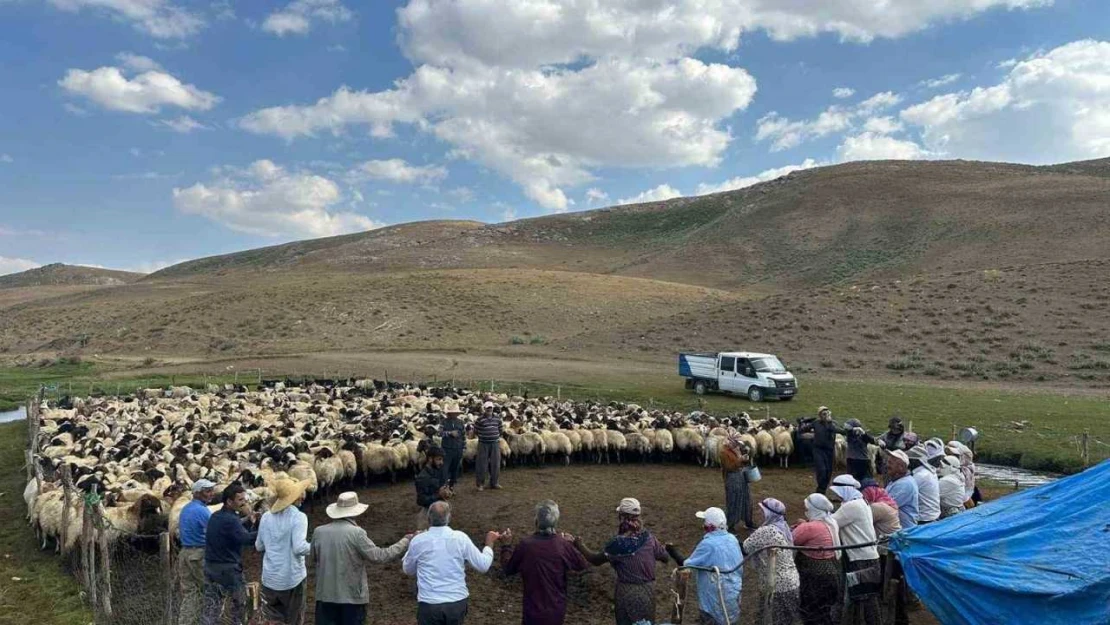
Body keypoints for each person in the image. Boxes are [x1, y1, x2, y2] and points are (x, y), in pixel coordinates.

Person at [313, 492, 412, 625]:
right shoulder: (357, 533)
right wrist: (405, 541)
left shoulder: (319, 532)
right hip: (351, 597)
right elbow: (379, 556)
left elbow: (313, 559)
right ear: (355, 512)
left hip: (325, 596)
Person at [573, 498, 670, 625]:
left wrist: (579, 544)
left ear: (621, 516)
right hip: (648, 591)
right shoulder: (649, 538)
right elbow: (665, 557)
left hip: (626, 594)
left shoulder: (618, 544)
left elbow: (595, 560)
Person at [403, 501, 499, 625]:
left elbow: (407, 569)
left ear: (428, 518)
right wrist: (489, 544)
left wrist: (412, 544)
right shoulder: (460, 538)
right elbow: (483, 565)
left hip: (430, 604)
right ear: (449, 517)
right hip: (456, 602)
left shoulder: (418, 541)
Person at [499, 500, 590, 625]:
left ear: (536, 521)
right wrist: (573, 544)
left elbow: (508, 568)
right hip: (556, 610)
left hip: (532, 611)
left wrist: (506, 546)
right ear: (555, 522)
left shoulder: (526, 545)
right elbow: (582, 564)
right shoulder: (562, 545)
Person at [665, 507, 743, 625]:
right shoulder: (733, 539)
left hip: (714, 597)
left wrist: (672, 551)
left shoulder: (708, 544)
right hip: (734, 593)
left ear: (708, 526)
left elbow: (686, 565)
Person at [255, 479, 311, 625]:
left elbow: (259, 546)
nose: (302, 497)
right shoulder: (299, 517)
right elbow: (299, 548)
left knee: (272, 620)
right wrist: (316, 547)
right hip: (292, 578)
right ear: (295, 498)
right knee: (294, 620)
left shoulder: (266, 517)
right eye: (299, 495)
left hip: (270, 579)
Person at [200, 483, 258, 625]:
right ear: (229, 501)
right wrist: (264, 531)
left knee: (212, 606)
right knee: (240, 604)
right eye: (240, 500)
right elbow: (245, 539)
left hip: (210, 567)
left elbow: (233, 528)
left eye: (244, 499)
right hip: (228, 569)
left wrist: (246, 520)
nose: (244, 503)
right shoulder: (231, 520)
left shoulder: (215, 516)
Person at [829, 475, 882, 625]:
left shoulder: (851, 507)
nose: (837, 496)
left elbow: (832, 522)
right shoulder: (861, 503)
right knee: (865, 597)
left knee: (864, 598)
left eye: (839, 492)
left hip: (860, 559)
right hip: (867, 556)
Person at [742, 498, 800, 625]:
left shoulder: (767, 531)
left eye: (761, 510)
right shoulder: (783, 527)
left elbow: (745, 547)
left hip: (777, 585)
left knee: (773, 620)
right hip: (791, 582)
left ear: (769, 514)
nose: (758, 513)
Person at [790, 494, 842, 625]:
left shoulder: (809, 528)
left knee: (811, 614)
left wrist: (799, 527)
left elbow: (791, 540)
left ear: (813, 510)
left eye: (807, 508)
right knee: (823, 613)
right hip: (832, 573)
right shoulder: (831, 523)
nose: (805, 511)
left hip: (813, 578)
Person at [177, 478, 216, 625]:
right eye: (207, 491)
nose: (211, 494)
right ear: (197, 493)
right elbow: (215, 529)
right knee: (208, 590)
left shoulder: (186, 508)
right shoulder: (202, 511)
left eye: (211, 490)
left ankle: (185, 621)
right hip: (198, 554)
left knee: (190, 592)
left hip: (185, 553)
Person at [799, 406, 839, 493]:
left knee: (828, 471)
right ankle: (820, 489)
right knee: (822, 469)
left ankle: (823, 488)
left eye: (827, 413)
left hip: (829, 450)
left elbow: (839, 431)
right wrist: (808, 434)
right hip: (818, 450)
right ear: (820, 415)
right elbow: (803, 430)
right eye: (823, 414)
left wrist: (829, 423)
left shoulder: (832, 424)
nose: (825, 415)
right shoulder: (816, 423)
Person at [720, 437, 755, 532]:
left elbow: (742, 462)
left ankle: (748, 521)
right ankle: (730, 524)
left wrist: (745, 458)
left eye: (735, 442)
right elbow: (729, 467)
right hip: (732, 478)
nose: (735, 445)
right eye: (733, 442)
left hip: (741, 476)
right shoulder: (724, 453)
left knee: (746, 499)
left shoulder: (737, 449)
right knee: (733, 500)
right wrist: (740, 459)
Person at [415, 446, 452, 529]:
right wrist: (438, 495)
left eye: (442, 459)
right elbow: (421, 500)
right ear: (430, 459)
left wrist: (447, 492)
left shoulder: (439, 470)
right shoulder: (423, 477)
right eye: (439, 459)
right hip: (428, 515)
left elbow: (443, 486)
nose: (441, 462)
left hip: (442, 510)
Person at [884, 449, 919, 530]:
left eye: (890, 463)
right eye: (888, 462)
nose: (887, 465)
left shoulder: (905, 484)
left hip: (905, 532)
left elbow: (886, 508)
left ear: (901, 467)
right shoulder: (896, 480)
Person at [475, 402, 503, 491]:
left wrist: (494, 436)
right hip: (483, 443)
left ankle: (494, 483)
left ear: (493, 408)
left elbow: (500, 429)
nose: (489, 409)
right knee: (482, 464)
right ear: (484, 408)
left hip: (495, 443)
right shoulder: (480, 419)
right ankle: (480, 484)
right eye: (487, 408)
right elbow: (476, 430)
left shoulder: (497, 419)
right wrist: (484, 436)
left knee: (496, 463)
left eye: (490, 408)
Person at [908, 446, 940, 524]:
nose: (908, 462)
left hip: (924, 518)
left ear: (917, 461)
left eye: (910, 460)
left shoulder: (920, 476)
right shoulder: (927, 472)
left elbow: (906, 493)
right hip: (932, 515)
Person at [440, 403, 467, 488]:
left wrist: (464, 447)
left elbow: (464, 435)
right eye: (453, 413)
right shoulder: (443, 422)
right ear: (449, 413)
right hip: (446, 449)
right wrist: (449, 433)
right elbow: (439, 433)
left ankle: (451, 486)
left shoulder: (461, 422)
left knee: (455, 468)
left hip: (458, 448)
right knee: (445, 468)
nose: (455, 414)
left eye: (456, 413)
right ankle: (444, 486)